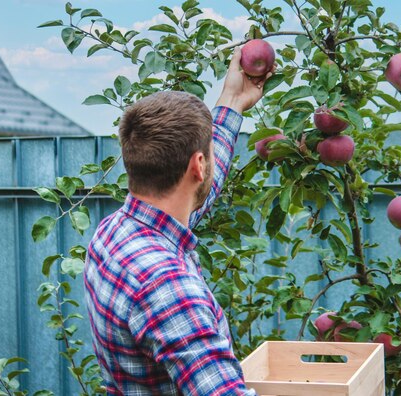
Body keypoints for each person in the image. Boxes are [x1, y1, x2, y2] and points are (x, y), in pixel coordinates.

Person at [84, 47, 274, 395]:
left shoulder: (113, 233)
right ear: (198, 165)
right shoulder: (168, 288)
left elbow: (201, 190)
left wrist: (232, 99)